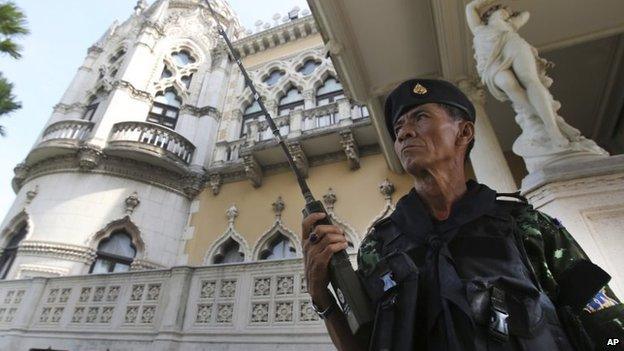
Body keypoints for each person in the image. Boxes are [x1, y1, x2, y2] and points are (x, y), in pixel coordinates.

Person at [301, 79, 624, 350]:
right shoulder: (378, 246)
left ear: (464, 132)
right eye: (399, 127)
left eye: (420, 118)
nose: (403, 133)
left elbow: (608, 327)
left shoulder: (526, 226)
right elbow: (364, 345)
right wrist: (322, 296)